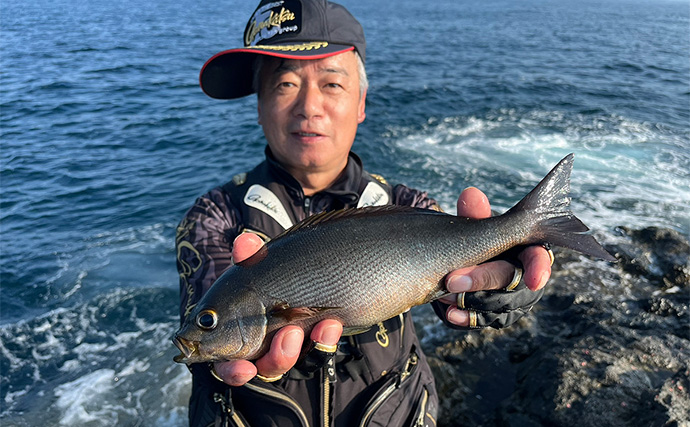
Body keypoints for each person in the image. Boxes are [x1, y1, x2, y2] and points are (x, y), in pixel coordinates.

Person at [176, 1, 553, 425]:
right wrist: (216, 340)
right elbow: (210, 303)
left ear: (361, 101)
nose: (308, 106)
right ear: (259, 103)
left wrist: (505, 278)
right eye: (283, 84)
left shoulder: (409, 206)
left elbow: (460, 285)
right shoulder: (216, 215)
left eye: (332, 84)